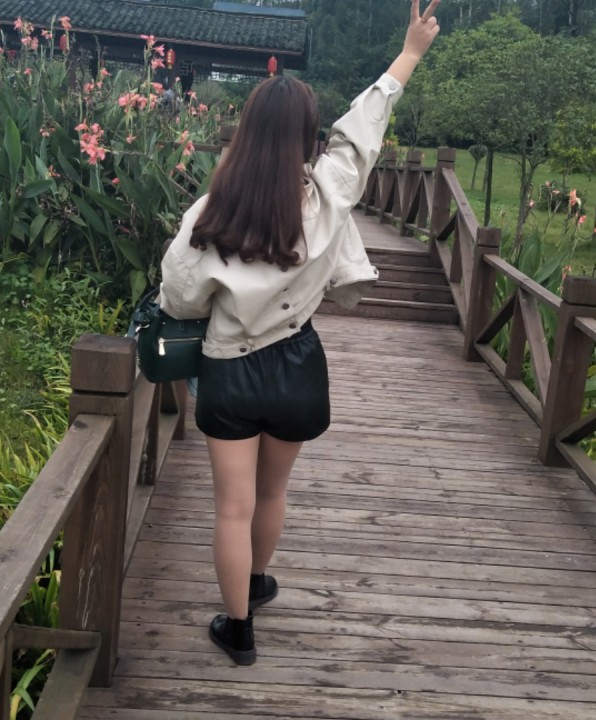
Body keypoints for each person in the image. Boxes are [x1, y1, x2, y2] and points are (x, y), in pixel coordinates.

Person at [159, 0, 441, 666]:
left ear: (247, 129)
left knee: (231, 507)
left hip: (229, 369)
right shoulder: (330, 191)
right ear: (308, 136)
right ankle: (258, 580)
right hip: (297, 365)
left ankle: (238, 629)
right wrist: (410, 53)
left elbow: (179, 296)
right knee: (272, 493)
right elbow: (365, 126)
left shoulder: (212, 211)